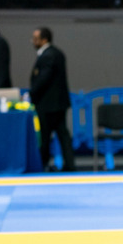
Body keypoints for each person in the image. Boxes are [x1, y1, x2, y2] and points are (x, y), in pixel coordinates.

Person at [30, 27, 76, 172]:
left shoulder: (48, 55)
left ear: (44, 39)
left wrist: (31, 93)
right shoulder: (55, 53)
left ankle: (43, 164)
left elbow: (44, 78)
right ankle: (69, 164)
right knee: (62, 134)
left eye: (36, 38)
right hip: (56, 104)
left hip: (49, 105)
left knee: (46, 136)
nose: (33, 41)